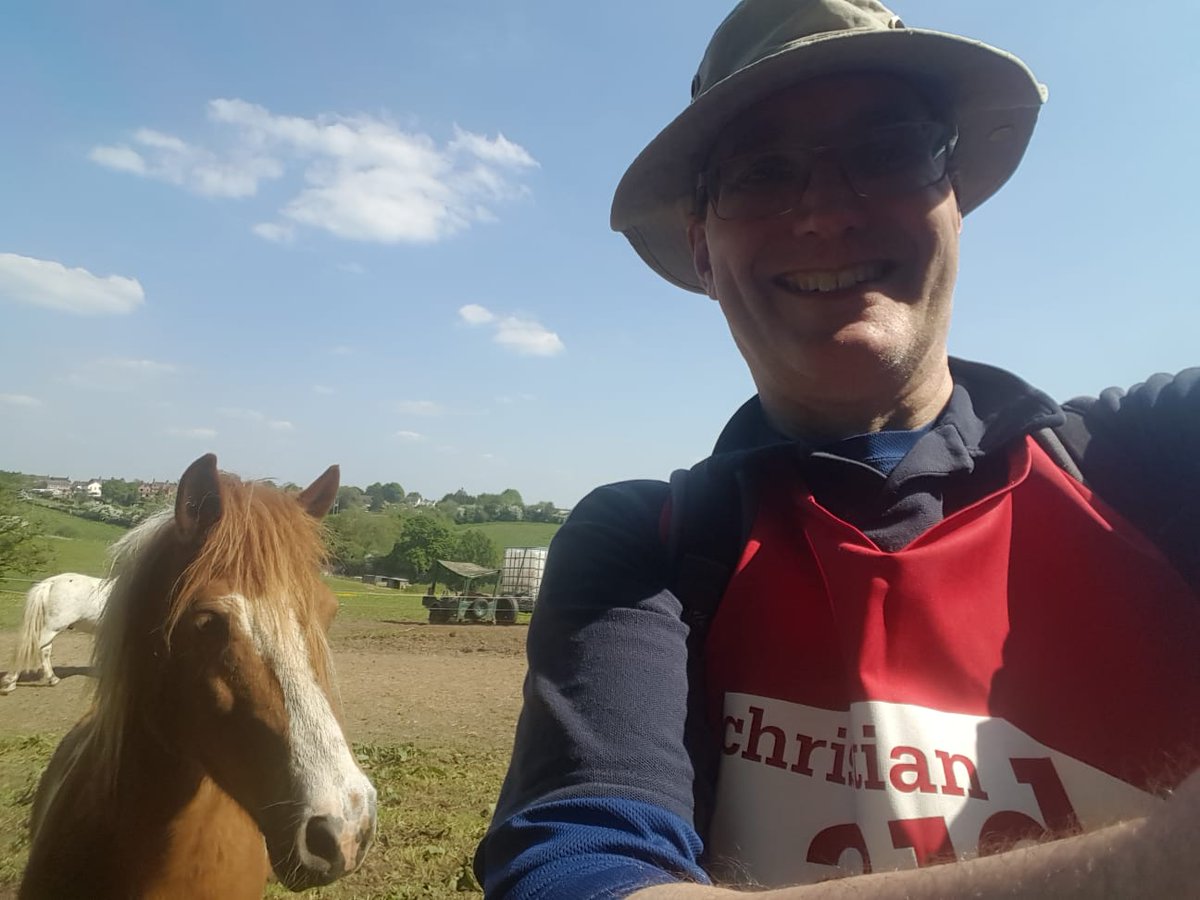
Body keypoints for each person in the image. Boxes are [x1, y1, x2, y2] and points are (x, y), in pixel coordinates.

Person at [475, 0, 1200, 896]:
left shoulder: (1155, 461)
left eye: (888, 147)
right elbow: (577, 870)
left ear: (955, 196)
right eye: (760, 172)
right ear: (704, 253)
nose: (824, 213)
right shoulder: (652, 547)